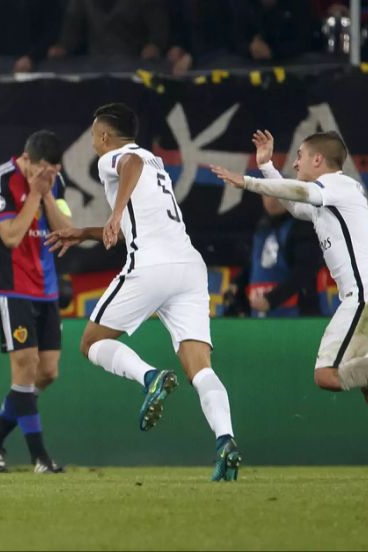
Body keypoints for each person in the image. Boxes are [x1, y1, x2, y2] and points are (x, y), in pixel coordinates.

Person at [46, 103, 241, 481]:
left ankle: (149, 377)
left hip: (152, 267)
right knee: (200, 369)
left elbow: (127, 171)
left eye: (92, 136)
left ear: (104, 136)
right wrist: (87, 230)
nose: (92, 143)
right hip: (189, 268)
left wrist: (115, 214)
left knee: (91, 343)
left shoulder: (117, 158)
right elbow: (140, 220)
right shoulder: (154, 162)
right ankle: (225, 440)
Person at [212, 131, 368, 414]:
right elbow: (295, 204)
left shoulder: (337, 185)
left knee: (327, 374)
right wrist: (266, 167)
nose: (295, 164)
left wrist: (248, 182)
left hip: (365, 297)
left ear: (318, 159)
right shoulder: (330, 198)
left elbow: (299, 192)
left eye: (299, 156)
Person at [0, 130, 73, 473]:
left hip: (46, 289)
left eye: (50, 171)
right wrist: (34, 193)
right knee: (26, 363)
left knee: (47, 372)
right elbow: (11, 236)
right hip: (11, 288)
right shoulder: (1, 179)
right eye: (37, 170)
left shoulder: (55, 182)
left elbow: (66, 231)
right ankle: (40, 457)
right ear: (25, 159)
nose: (42, 177)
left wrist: (47, 194)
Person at [223, 194, 322, 317]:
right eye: (266, 195)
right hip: (261, 315)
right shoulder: (262, 226)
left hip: (296, 317)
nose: (271, 200)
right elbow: (254, 264)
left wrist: (271, 299)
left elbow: (304, 271)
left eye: (277, 195)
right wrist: (237, 284)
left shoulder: (303, 227)